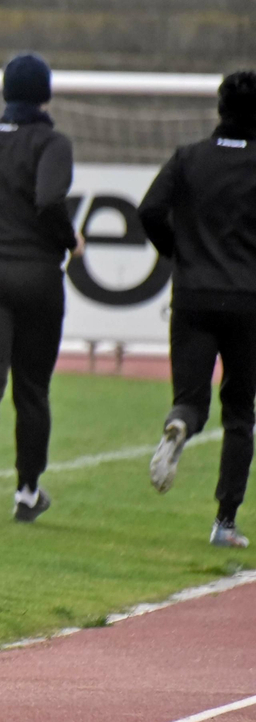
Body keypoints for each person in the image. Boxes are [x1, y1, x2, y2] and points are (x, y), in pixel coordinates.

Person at [0, 53, 86, 521]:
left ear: (5, 92)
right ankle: (28, 492)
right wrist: (71, 240)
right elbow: (50, 199)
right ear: (45, 94)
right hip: (36, 277)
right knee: (32, 389)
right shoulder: (52, 143)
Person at [140, 70, 256, 548]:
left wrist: (178, 252)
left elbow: (149, 209)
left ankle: (180, 425)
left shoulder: (189, 158)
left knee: (191, 398)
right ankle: (224, 523)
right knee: (239, 413)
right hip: (248, 299)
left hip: (193, 295)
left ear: (219, 109)